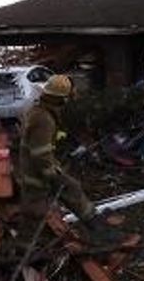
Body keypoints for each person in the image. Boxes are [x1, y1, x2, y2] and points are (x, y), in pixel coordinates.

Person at [18, 74, 110, 241]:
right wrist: (53, 174)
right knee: (37, 212)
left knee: (71, 188)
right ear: (60, 99)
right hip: (36, 175)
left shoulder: (40, 111)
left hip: (38, 170)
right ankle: (29, 246)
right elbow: (40, 153)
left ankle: (94, 223)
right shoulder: (43, 119)